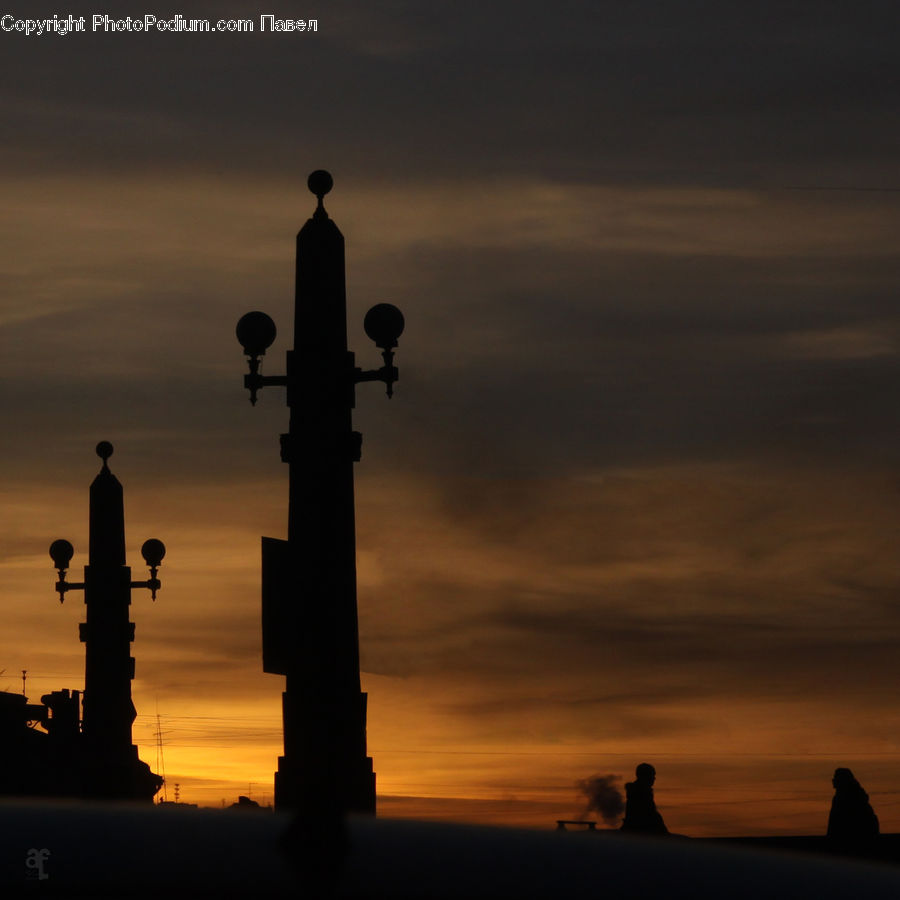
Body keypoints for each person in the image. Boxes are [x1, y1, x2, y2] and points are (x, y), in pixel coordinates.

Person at [827, 767, 879, 846]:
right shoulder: (855, 796)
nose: (833, 781)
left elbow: (836, 822)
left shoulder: (846, 799)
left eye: (836, 778)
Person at [621, 762, 668, 835]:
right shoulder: (641, 793)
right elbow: (650, 815)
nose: (654, 778)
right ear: (645, 776)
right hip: (641, 832)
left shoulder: (639, 792)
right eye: (652, 775)